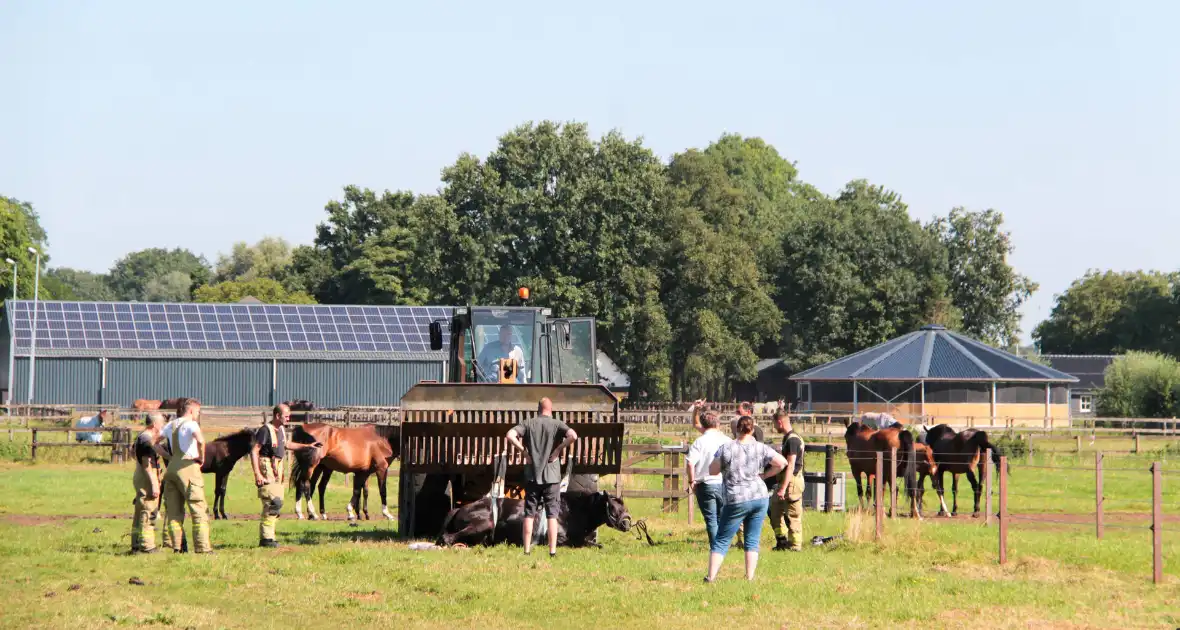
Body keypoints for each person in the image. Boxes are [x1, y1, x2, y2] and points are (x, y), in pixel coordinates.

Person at [704, 416, 787, 583]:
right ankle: (749, 577)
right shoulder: (761, 447)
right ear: (752, 430)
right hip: (759, 496)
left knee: (722, 539)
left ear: (737, 429)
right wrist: (765, 474)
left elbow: (712, 470)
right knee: (752, 539)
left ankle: (711, 577)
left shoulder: (726, 448)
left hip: (736, 498)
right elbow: (782, 462)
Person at [505, 397, 578, 557]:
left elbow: (510, 435)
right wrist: (559, 449)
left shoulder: (528, 423)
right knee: (552, 515)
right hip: (552, 478)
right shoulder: (557, 424)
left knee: (529, 514)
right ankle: (552, 551)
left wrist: (523, 451)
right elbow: (573, 435)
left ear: (538, 409)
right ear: (551, 410)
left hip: (532, 476)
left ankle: (526, 550)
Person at [251, 403, 321, 547]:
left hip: (278, 468)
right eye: (286, 416)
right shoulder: (265, 430)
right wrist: (257, 473)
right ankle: (266, 539)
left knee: (277, 503)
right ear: (278, 416)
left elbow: (287, 445)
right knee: (272, 502)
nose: (289, 419)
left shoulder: (281, 429)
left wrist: (308, 446)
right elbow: (254, 451)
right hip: (267, 466)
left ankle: (269, 537)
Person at [158, 398, 212, 554]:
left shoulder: (170, 425)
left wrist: (168, 457)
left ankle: (177, 547)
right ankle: (203, 548)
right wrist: (201, 457)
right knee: (198, 509)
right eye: (198, 411)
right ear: (191, 410)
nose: (198, 414)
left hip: (172, 468)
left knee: (174, 512)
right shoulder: (191, 424)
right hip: (188, 467)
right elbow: (201, 441)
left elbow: (154, 442)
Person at [685, 404, 731, 549]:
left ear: (704, 425)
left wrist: (691, 481)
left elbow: (690, 464)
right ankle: (723, 545)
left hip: (705, 484)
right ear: (717, 423)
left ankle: (716, 547)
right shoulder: (727, 440)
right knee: (722, 518)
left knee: (711, 519)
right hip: (724, 483)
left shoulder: (700, 442)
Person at [767, 409, 805, 551]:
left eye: (774, 424)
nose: (774, 427)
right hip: (785, 481)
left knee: (793, 515)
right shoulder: (788, 438)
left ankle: (795, 546)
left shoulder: (793, 440)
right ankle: (781, 541)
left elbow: (791, 466)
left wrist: (783, 488)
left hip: (792, 482)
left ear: (780, 422)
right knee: (774, 511)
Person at [131, 412, 165, 553]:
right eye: (161, 423)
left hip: (139, 474)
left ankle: (136, 544)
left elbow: (132, 452)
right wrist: (154, 484)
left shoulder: (141, 436)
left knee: (139, 511)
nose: (162, 426)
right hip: (147, 476)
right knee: (148, 510)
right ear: (154, 424)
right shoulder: (147, 441)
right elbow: (147, 464)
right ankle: (147, 545)